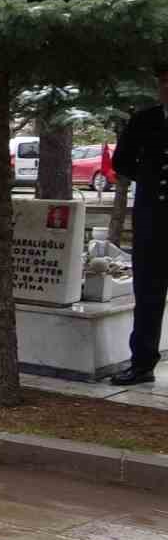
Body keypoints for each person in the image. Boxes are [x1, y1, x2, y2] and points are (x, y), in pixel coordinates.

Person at [110, 69, 168, 386]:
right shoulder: (144, 120)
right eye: (163, 83)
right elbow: (121, 162)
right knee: (148, 294)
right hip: (153, 219)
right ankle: (142, 364)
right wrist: (148, 178)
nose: (166, 89)